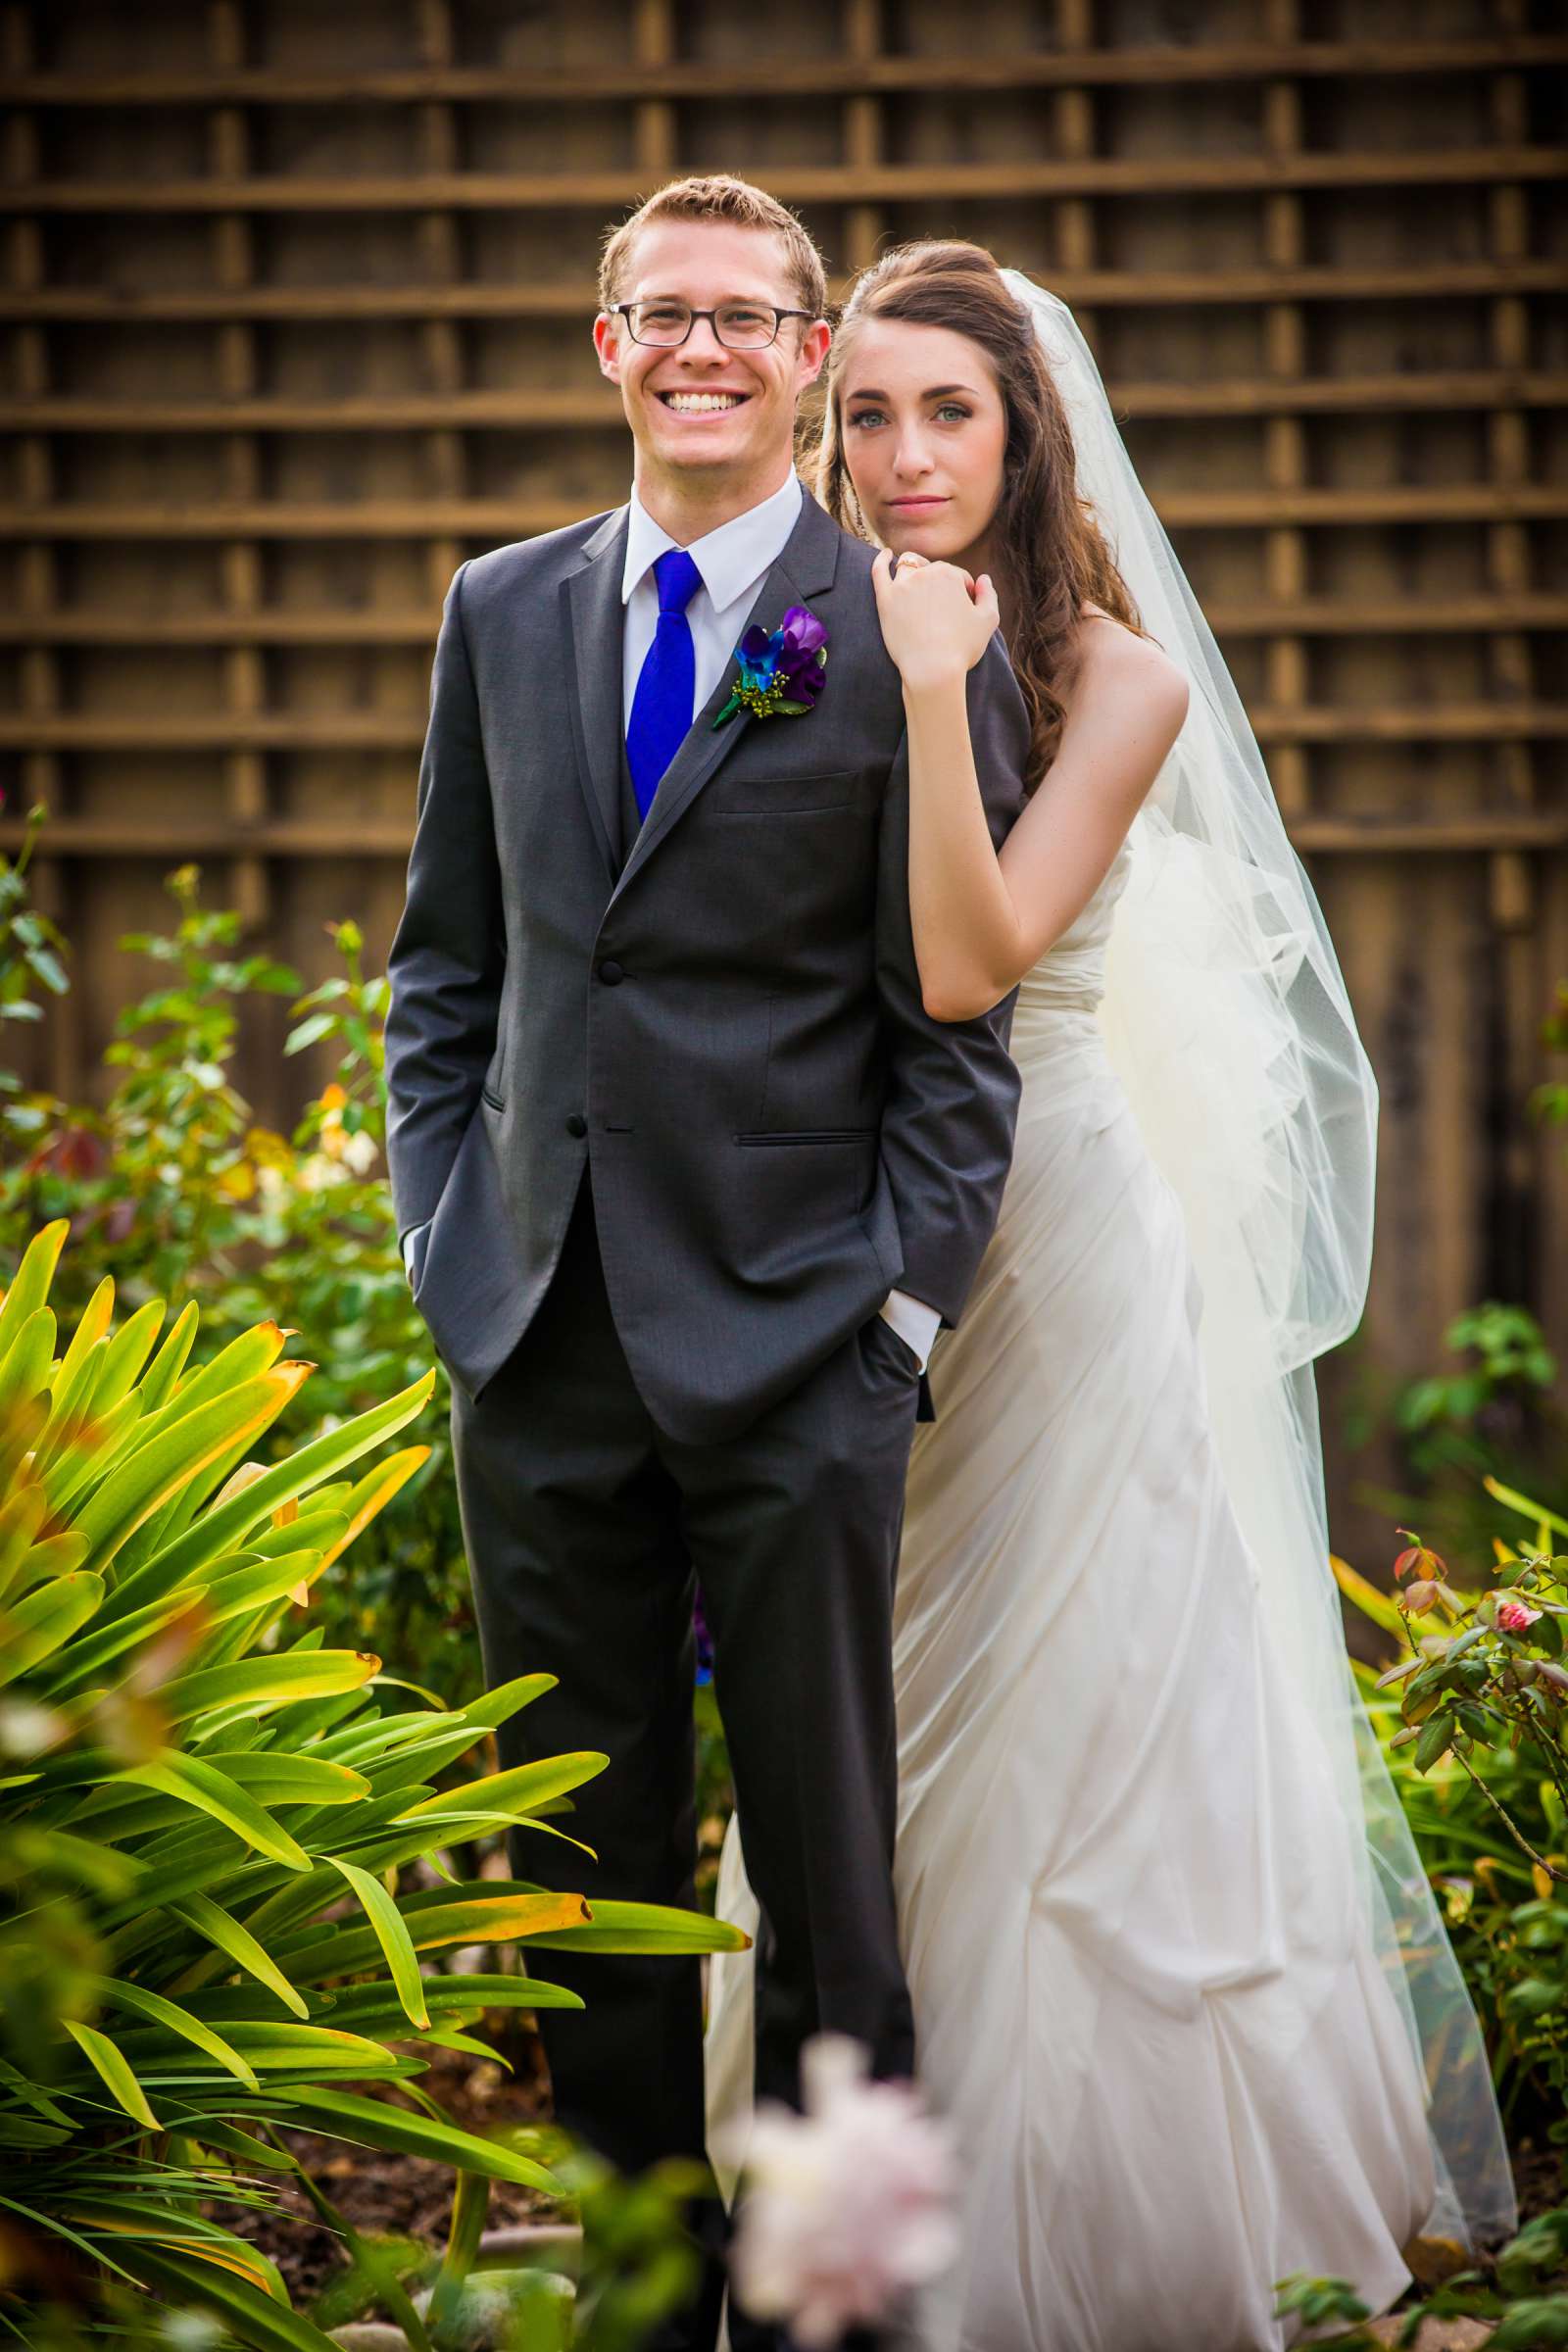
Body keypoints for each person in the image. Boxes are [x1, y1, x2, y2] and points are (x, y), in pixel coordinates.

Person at [706, 242, 1516, 2352]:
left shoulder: (1117, 680)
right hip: (832, 1239)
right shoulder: (787, 626)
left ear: (1020, 430)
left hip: (1050, 1238)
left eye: (942, 413)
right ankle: (848, 2208)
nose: (897, 455)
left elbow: (970, 961)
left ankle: (1086, 2253)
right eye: (863, 413)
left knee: (1068, 1730)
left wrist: (908, 683)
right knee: (859, 1721)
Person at [382, 184, 1033, 2352]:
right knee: (586, 1893)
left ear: (806, 348)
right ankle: (647, 2310)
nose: (701, 350)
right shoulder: (498, 607)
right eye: (661, 312)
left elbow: (956, 1032)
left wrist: (899, 1314)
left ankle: (837, 2322)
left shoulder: (906, 625)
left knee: (834, 1902)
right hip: (537, 1339)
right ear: (604, 344)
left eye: (745, 319)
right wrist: (439, 1238)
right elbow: (446, 967)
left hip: (797, 1348)